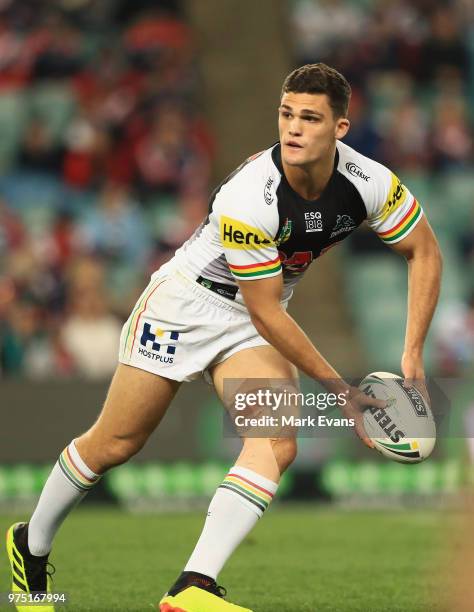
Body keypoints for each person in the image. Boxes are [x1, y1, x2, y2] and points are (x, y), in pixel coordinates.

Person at [6, 63, 442, 612]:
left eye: (310, 117)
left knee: (277, 442)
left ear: (341, 129)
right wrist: (344, 395)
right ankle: (31, 544)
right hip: (185, 306)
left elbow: (423, 250)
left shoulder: (370, 183)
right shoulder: (250, 197)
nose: (294, 128)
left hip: (251, 320)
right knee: (115, 443)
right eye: (287, 114)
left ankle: (191, 587)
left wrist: (411, 352)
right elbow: (266, 313)